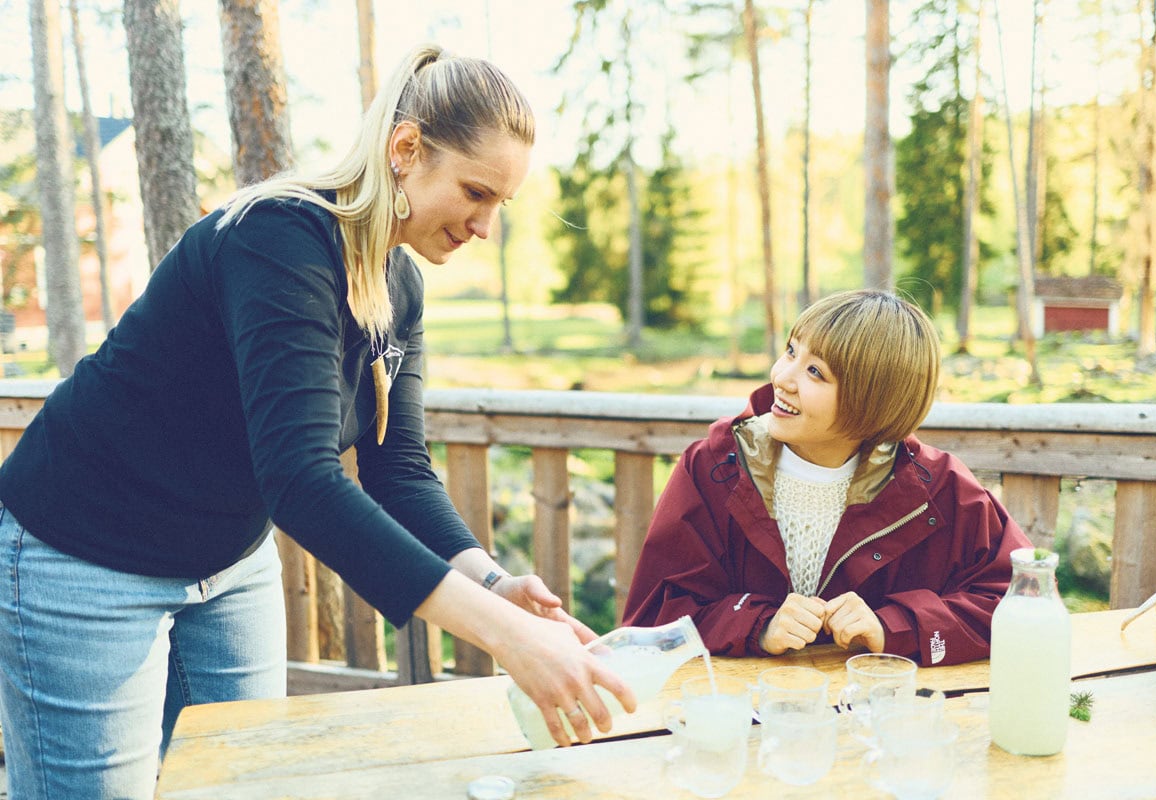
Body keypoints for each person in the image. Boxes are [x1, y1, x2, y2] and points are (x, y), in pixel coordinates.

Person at [0, 45, 632, 799]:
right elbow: (301, 479)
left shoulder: (398, 284)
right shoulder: (278, 238)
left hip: (227, 563)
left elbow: (398, 469)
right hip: (85, 551)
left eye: (501, 203)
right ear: (406, 150)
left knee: (242, 785)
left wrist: (492, 584)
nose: (486, 225)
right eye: (476, 191)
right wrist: (507, 639)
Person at [623, 289, 1031, 667]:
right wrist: (756, 625)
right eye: (790, 352)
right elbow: (653, 621)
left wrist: (895, 625)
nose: (782, 378)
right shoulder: (715, 467)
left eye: (816, 372)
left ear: (873, 403)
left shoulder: (938, 490)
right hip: (738, 719)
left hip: (879, 722)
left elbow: (1021, 600)